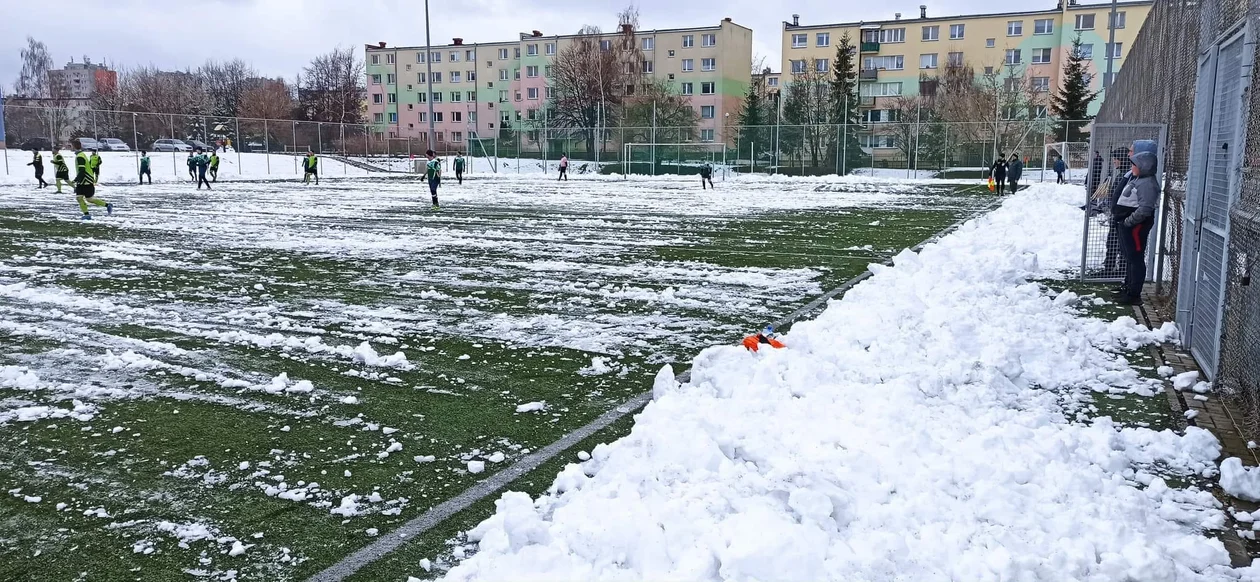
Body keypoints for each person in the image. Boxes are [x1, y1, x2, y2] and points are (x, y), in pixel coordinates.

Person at [1112, 150, 1159, 306]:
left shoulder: (1148, 184)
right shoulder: (1139, 179)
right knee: (1129, 258)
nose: (1132, 167)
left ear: (1144, 166)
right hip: (1127, 225)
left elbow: (1145, 209)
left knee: (1135, 258)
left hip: (1135, 227)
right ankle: (1128, 287)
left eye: (1135, 164)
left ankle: (1134, 294)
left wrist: (1128, 221)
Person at [74, 146, 111, 220]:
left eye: (70, 146)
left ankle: (107, 205)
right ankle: (87, 215)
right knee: (79, 198)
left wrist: (76, 179)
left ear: (73, 146)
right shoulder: (82, 155)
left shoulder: (80, 156)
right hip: (82, 180)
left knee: (89, 199)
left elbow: (82, 170)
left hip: (86, 180)